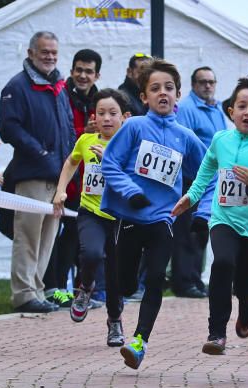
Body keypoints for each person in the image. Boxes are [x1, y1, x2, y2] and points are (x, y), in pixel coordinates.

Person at [172, 76, 248, 355]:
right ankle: (216, 333)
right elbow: (204, 174)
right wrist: (190, 198)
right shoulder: (220, 139)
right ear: (231, 111)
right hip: (223, 218)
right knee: (222, 264)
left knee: (244, 284)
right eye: (242, 106)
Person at [100, 59, 207, 369]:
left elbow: (206, 172)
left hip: (163, 218)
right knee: (126, 284)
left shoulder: (186, 137)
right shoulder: (134, 127)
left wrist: (197, 203)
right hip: (130, 217)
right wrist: (130, 192)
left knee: (157, 278)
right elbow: (110, 163)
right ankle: (121, 295)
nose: (163, 93)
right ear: (144, 96)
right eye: (155, 88)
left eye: (169, 88)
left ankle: (139, 341)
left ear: (178, 95)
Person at [0, 31, 76, 314]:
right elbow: (8, 128)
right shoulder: (17, 87)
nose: (50, 57)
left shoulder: (58, 86)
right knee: (28, 235)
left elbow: (67, 124)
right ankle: (23, 293)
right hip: (32, 172)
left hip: (58, 175)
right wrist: (40, 152)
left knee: (47, 238)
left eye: (54, 53)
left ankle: (37, 290)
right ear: (31, 53)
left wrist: (71, 159)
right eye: (45, 52)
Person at [52, 89, 131, 346]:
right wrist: (61, 190)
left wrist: (108, 159)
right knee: (92, 254)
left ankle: (115, 321)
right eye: (101, 113)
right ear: (94, 117)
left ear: (125, 117)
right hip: (91, 211)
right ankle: (85, 288)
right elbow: (71, 162)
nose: (106, 118)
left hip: (120, 216)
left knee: (117, 273)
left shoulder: (130, 144)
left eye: (113, 113)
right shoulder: (86, 140)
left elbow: (135, 178)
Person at [43, 48, 104, 307]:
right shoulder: (61, 95)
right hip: (64, 179)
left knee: (83, 242)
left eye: (88, 71)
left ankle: (83, 291)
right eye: (78, 69)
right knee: (58, 237)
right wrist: (83, 131)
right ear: (71, 70)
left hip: (90, 185)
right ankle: (54, 288)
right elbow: (58, 133)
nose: (82, 75)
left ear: (96, 74)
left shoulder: (101, 100)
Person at [170, 66, 230, 300]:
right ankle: (183, 282)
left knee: (201, 231)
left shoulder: (216, 109)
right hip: (191, 179)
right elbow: (183, 143)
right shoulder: (186, 108)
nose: (207, 86)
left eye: (211, 82)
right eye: (202, 82)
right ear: (194, 84)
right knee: (186, 234)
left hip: (213, 182)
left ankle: (195, 278)